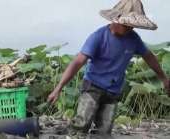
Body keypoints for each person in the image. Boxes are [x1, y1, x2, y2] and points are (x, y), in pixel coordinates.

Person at [47, 0, 170, 138]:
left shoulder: (134, 39)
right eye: (126, 25)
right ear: (116, 19)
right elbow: (78, 61)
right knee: (81, 125)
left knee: (104, 132)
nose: (130, 29)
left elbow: (149, 57)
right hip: (92, 86)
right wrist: (58, 88)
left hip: (113, 91)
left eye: (133, 26)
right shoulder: (99, 36)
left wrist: (164, 78)